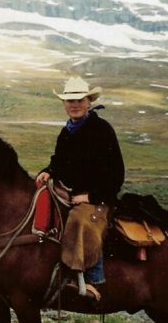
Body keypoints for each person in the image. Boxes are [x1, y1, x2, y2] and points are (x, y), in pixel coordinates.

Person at [35, 77, 125, 300]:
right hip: (71, 194)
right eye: (70, 100)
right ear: (64, 104)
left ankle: (91, 279)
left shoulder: (102, 130)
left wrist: (90, 196)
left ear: (88, 102)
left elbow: (117, 174)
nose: (74, 104)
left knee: (79, 220)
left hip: (98, 199)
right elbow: (59, 161)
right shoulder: (66, 132)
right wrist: (49, 171)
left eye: (79, 100)